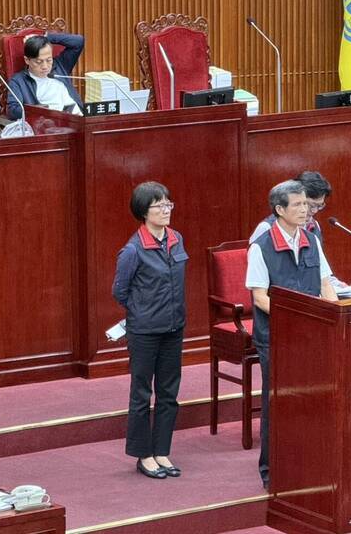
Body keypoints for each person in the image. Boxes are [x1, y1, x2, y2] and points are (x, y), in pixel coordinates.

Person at [246, 180, 339, 490]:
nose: (305, 210)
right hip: (277, 337)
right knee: (278, 402)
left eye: (306, 204)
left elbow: (325, 284)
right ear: (279, 210)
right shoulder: (261, 246)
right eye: (298, 205)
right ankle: (271, 471)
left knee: (313, 399)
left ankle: (310, 464)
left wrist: (336, 315)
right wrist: (297, 318)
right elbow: (260, 297)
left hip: (312, 334)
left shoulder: (312, 241)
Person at [112, 181, 189, 480]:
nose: (165, 209)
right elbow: (120, 291)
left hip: (174, 327)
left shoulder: (176, 239)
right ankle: (144, 454)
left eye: (168, 203)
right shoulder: (132, 250)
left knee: (169, 393)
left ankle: (162, 451)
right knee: (142, 393)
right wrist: (143, 311)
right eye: (158, 205)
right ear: (144, 212)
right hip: (144, 331)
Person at [7, 32, 85, 119]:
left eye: (49, 60)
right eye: (39, 62)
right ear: (27, 60)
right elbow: (12, 111)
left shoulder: (60, 65)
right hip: (50, 125)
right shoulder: (19, 81)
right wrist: (37, 110)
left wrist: (46, 37)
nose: (45, 66)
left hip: (79, 119)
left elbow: (78, 41)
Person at [248, 171, 331, 243]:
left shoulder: (314, 226)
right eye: (310, 205)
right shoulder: (266, 228)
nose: (314, 211)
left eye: (319, 206)